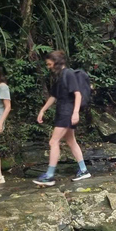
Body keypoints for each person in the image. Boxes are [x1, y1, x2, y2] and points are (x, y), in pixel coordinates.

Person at [33, 51, 90, 186]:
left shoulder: (68, 74)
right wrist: (42, 110)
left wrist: (75, 113)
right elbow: (54, 96)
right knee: (71, 141)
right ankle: (83, 170)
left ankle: (50, 175)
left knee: (53, 141)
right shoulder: (60, 76)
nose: (48, 67)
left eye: (49, 64)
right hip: (63, 112)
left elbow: (78, 94)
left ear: (56, 62)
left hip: (67, 113)